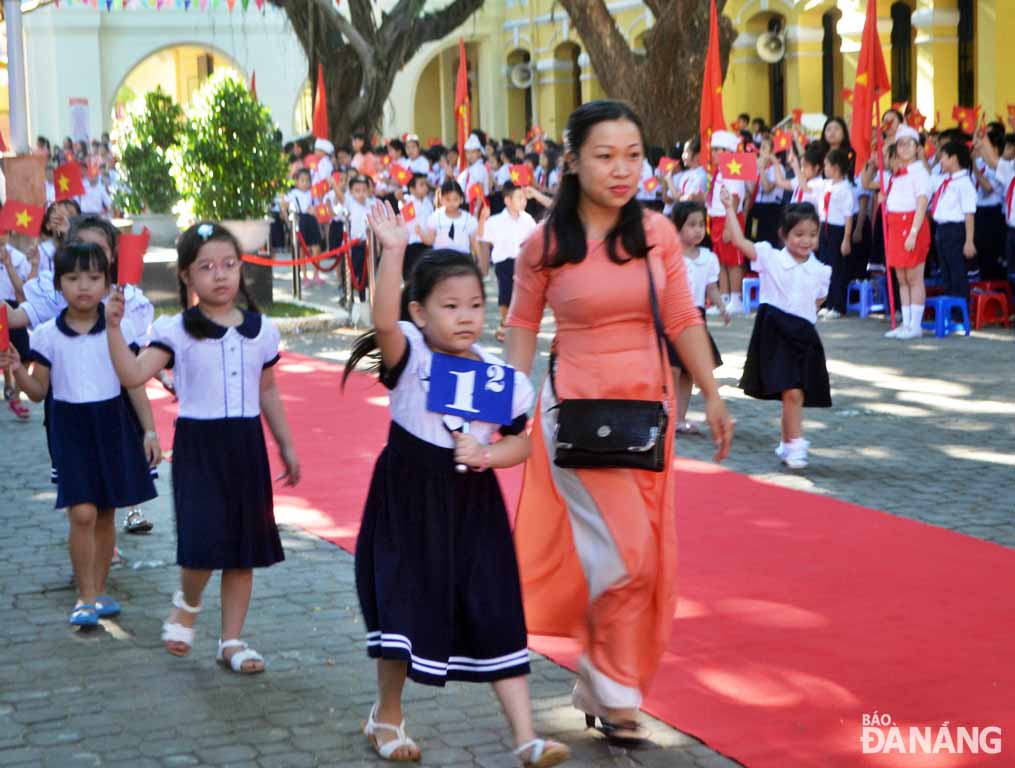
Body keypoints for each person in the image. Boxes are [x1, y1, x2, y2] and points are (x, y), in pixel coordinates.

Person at [504, 100, 733, 747]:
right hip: (574, 416)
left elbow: (684, 320)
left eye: (632, 154)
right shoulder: (542, 244)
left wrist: (712, 395)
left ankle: (606, 688)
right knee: (627, 558)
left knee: (640, 561)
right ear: (573, 161)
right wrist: (504, 409)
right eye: (604, 155)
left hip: (647, 418)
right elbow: (521, 328)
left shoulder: (656, 233)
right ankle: (611, 686)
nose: (621, 168)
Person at [343, 202, 570, 768]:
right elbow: (383, 323)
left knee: (496, 606)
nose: (466, 316)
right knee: (404, 607)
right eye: (450, 306)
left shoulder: (500, 377)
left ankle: (525, 737)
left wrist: (489, 454)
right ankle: (387, 715)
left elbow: (523, 444)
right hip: (408, 500)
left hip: (473, 505)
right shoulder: (410, 354)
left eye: (475, 305)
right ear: (420, 312)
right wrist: (393, 253)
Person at [105, 222, 299, 673]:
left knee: (243, 549)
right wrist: (113, 328)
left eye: (229, 264)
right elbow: (133, 375)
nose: (220, 275)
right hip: (200, 448)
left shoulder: (261, 330)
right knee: (202, 540)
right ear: (187, 276)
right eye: (207, 267)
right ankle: (187, 603)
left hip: (246, 446)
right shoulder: (176, 330)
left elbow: (268, 390)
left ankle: (231, 640)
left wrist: (286, 443)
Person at [2, 242, 160, 626]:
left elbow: (134, 382)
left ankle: (99, 590)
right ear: (59, 285)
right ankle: (84, 595)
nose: (84, 286)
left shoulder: (117, 330)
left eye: (93, 278)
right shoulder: (46, 336)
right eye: (73, 278)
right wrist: (18, 371)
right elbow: (39, 392)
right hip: (70, 430)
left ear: (107, 283)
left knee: (105, 512)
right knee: (83, 512)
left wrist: (151, 430)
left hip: (112, 425)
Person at [721, 194, 832, 470]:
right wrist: (729, 209)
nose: (806, 240)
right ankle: (796, 444)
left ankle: (788, 440)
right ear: (783, 235)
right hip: (775, 331)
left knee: (794, 394)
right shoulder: (770, 257)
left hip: (803, 334)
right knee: (791, 392)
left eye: (812, 234)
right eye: (799, 234)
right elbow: (739, 241)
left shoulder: (821, 270)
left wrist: (804, 320)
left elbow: (818, 301)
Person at [671, 201, 729, 435]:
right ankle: (665, 412)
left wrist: (722, 306)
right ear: (677, 227)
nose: (697, 230)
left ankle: (679, 418)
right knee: (672, 368)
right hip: (673, 315)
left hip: (696, 318)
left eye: (700, 225)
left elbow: (711, 287)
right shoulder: (670, 255)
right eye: (690, 224)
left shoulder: (708, 257)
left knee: (688, 371)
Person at [881, 126, 931, 339]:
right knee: (901, 278)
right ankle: (906, 323)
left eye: (910, 143)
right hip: (895, 225)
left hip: (912, 225)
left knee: (914, 277)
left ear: (918, 148)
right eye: (901, 144)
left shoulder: (920, 172)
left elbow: (921, 203)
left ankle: (916, 326)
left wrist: (913, 232)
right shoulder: (896, 175)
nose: (905, 148)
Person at [478, 182, 538, 342]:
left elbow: (535, 239)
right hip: (503, 263)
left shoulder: (528, 219)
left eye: (524, 197)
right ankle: (505, 321)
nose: (523, 201)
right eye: (519, 197)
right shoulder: (496, 220)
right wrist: (483, 219)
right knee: (505, 294)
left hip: (522, 262)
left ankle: (514, 325)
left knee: (521, 295)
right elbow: (482, 237)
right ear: (507, 200)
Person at [929, 140, 977, 300]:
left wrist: (969, 241)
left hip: (955, 231)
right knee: (946, 272)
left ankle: (959, 311)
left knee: (957, 272)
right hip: (941, 230)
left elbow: (969, 213)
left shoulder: (964, 183)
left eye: (943, 157)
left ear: (954, 158)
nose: (940, 160)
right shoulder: (945, 180)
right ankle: (951, 308)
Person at [706, 130, 747, 312]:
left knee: (733, 260)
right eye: (713, 149)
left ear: (729, 152)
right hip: (716, 218)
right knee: (720, 260)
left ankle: (736, 298)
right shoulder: (718, 172)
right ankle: (724, 296)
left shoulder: (733, 170)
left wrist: (730, 228)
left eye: (718, 149)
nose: (713, 153)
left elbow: (736, 198)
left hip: (729, 219)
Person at [817, 148, 855, 319]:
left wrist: (846, 239)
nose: (824, 167)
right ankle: (828, 302)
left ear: (836, 167)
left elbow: (848, 216)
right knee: (825, 266)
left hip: (837, 230)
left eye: (826, 164)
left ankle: (838, 305)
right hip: (824, 227)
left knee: (836, 267)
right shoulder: (828, 184)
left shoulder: (845, 188)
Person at [1, 229, 31, 420]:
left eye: (3, 232)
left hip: (12, 308)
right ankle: (8, 384)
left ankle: (16, 395)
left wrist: (8, 264)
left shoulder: (18, 257)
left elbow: (23, 288)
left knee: (24, 352)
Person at [281, 169, 323, 286]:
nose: (305, 183)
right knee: (301, 250)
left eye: (307, 180)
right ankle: (304, 276)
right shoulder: (292, 193)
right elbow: (284, 206)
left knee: (316, 247)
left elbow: (319, 206)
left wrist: (316, 211)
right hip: (300, 219)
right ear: (296, 181)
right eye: (302, 180)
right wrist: (288, 220)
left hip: (311, 219)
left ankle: (316, 274)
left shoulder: (312, 193)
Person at [421, 180, 481, 257]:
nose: (451, 203)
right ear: (441, 199)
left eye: (455, 199)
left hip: (462, 260)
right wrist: (420, 233)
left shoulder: (469, 219)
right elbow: (430, 241)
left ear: (461, 199)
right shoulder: (435, 217)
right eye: (448, 199)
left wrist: (479, 260)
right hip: (441, 259)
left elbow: (474, 243)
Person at [402, 173, 435, 280]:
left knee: (426, 274)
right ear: (412, 189)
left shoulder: (428, 202)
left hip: (427, 242)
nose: (425, 187)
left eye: (426, 184)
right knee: (412, 274)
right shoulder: (407, 202)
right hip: (413, 243)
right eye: (421, 185)